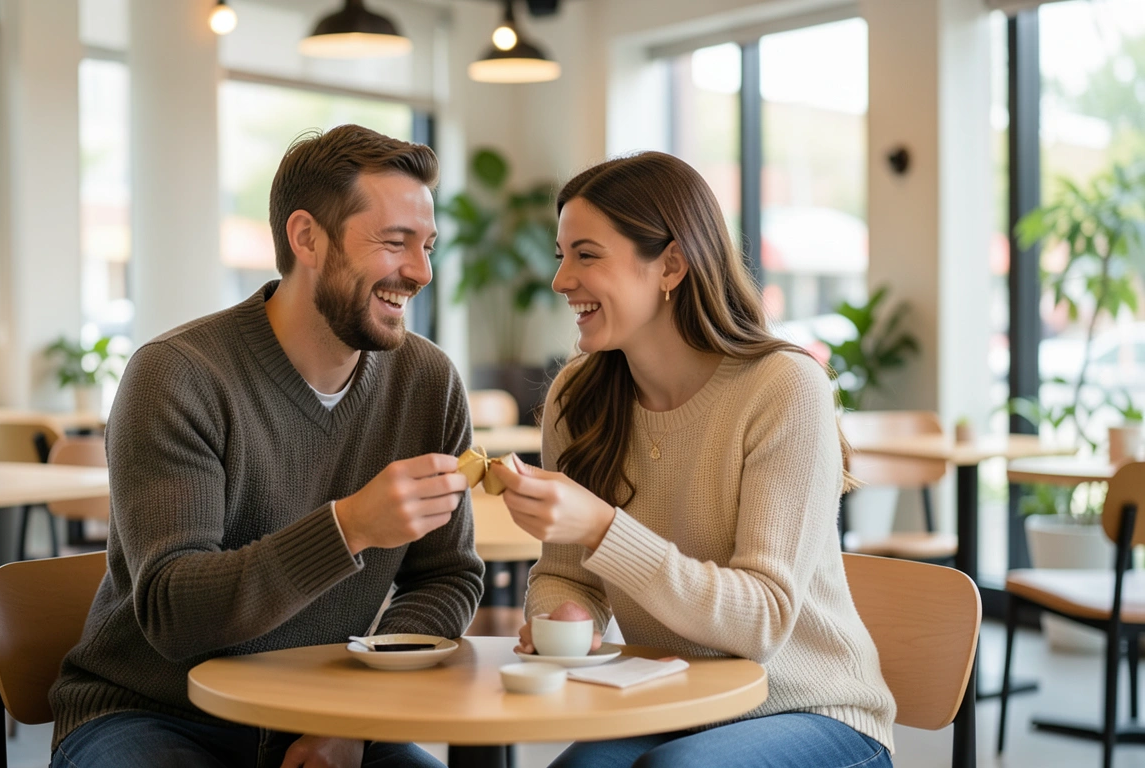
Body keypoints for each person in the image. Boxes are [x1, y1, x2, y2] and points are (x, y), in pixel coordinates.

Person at [50, 124, 484, 768]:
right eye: (394, 243)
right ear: (306, 237)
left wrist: (353, 715)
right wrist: (348, 528)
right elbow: (174, 612)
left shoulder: (427, 381)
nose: (419, 272)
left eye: (427, 246)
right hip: (155, 713)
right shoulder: (178, 375)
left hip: (324, 711)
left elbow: (448, 576)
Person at [488, 152, 896, 768]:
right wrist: (562, 614)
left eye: (586, 255)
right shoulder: (578, 396)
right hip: (679, 704)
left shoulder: (783, 387)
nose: (561, 280)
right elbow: (566, 573)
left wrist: (602, 526)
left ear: (671, 265)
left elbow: (762, 622)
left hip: (814, 710)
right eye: (561, 255)